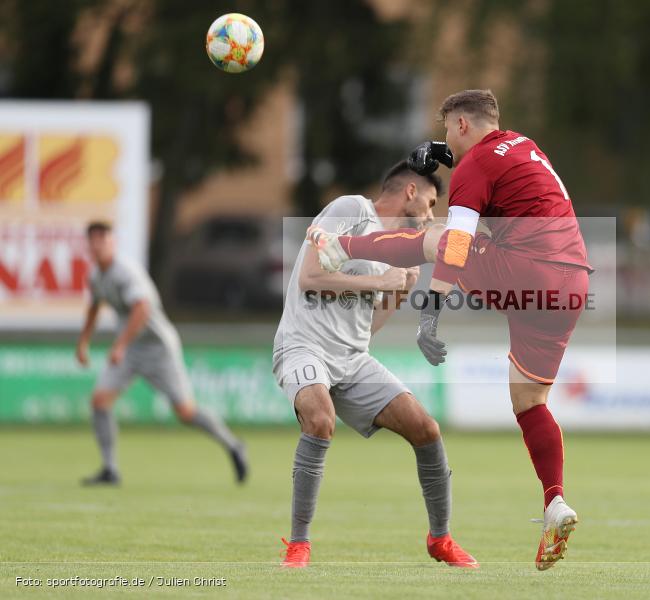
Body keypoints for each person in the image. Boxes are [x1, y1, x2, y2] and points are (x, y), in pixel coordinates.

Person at [307, 89, 592, 570]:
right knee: (529, 401)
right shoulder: (524, 146)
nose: (445, 140)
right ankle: (554, 502)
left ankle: (342, 247)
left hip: (531, 271)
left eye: (446, 131)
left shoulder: (476, 167)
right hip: (572, 286)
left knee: (438, 238)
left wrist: (430, 311)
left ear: (460, 125)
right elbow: (493, 171)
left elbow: (457, 242)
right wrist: (445, 156)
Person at [274, 161, 477, 569]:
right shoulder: (351, 210)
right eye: (432, 202)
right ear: (410, 192)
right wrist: (379, 282)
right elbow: (310, 277)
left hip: (352, 358)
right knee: (320, 419)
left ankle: (441, 539)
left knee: (427, 429)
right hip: (303, 345)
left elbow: (369, 329)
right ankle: (298, 545)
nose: (432, 214)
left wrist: (398, 294)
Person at [76, 221, 247, 486]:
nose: (98, 244)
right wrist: (83, 341)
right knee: (100, 401)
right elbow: (94, 306)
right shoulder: (96, 276)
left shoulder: (126, 272)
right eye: (93, 239)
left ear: (113, 242)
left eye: (103, 238)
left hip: (157, 348)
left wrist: (119, 345)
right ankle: (110, 469)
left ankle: (233, 445)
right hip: (130, 348)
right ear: (88, 245)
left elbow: (142, 309)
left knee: (185, 412)